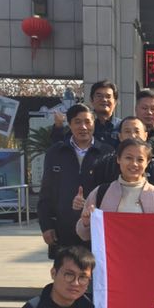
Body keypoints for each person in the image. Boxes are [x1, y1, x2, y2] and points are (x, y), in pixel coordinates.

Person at [38, 104, 113, 259]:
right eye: (77, 122)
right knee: (65, 271)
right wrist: (46, 226)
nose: (83, 127)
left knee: (94, 272)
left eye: (87, 121)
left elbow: (112, 191)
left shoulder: (107, 152)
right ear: (70, 124)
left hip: (95, 231)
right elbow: (46, 192)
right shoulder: (56, 152)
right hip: (63, 230)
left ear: (94, 123)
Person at [76, 139, 154, 240]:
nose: (134, 164)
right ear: (118, 159)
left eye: (140, 160)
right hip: (110, 250)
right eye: (128, 158)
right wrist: (86, 222)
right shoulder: (101, 192)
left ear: (147, 162)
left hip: (144, 250)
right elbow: (84, 236)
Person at [86, 115, 154, 204]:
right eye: (127, 131)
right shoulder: (106, 165)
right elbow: (95, 202)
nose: (132, 135)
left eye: (137, 131)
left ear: (145, 136)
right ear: (120, 136)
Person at [51, 80, 121, 148]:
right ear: (91, 100)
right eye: (99, 96)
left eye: (108, 96)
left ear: (115, 102)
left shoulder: (121, 126)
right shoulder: (81, 125)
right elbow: (60, 147)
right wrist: (58, 126)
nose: (104, 99)